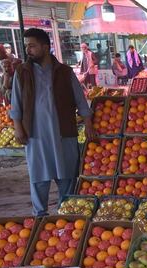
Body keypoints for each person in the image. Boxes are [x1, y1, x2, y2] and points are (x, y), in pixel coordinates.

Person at [10, 28, 93, 217]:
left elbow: (80, 99)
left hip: (63, 133)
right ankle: (40, 215)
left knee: (67, 175)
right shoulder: (22, 72)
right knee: (39, 176)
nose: (28, 50)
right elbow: (16, 103)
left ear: (45, 47)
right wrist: (18, 127)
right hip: (36, 134)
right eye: (26, 46)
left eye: (32, 46)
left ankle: (67, 214)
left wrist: (88, 122)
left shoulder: (64, 72)